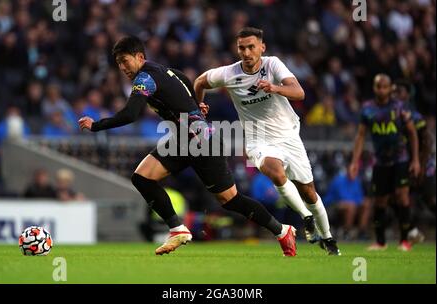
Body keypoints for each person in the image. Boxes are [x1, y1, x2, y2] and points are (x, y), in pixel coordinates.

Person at [78, 36, 297, 256]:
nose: (122, 67)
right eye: (118, 63)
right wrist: (194, 104)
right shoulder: (163, 70)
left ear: (140, 57)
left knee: (230, 200)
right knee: (142, 177)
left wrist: (96, 125)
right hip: (184, 140)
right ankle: (177, 229)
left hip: (202, 142)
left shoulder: (144, 79)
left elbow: (130, 114)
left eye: (125, 61)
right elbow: (182, 78)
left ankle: (282, 230)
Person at [194, 27, 340, 255]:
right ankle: (306, 217)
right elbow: (200, 82)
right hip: (257, 138)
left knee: (309, 191)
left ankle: (329, 239)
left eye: (251, 47)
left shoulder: (272, 64)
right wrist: (198, 109)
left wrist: (274, 87)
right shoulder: (229, 73)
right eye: (242, 47)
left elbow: (299, 92)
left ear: (262, 47)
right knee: (276, 173)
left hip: (288, 134)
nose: (246, 52)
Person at [349, 74, 421, 251]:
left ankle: (404, 241)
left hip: (400, 159)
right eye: (378, 87)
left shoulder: (399, 108)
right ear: (374, 88)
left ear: (390, 89)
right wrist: (354, 161)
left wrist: (416, 160)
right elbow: (360, 136)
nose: (381, 90)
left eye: (385, 87)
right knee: (379, 201)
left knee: (402, 196)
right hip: (380, 161)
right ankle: (380, 242)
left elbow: (412, 133)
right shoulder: (367, 109)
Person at [393, 79, 435, 243]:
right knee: (396, 198)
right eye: (395, 91)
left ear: (408, 95)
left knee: (431, 201)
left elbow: (428, 141)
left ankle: (411, 232)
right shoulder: (392, 114)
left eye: (400, 92)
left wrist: (421, 165)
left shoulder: (415, 116)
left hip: (423, 166)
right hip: (403, 165)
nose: (396, 94)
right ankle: (411, 232)